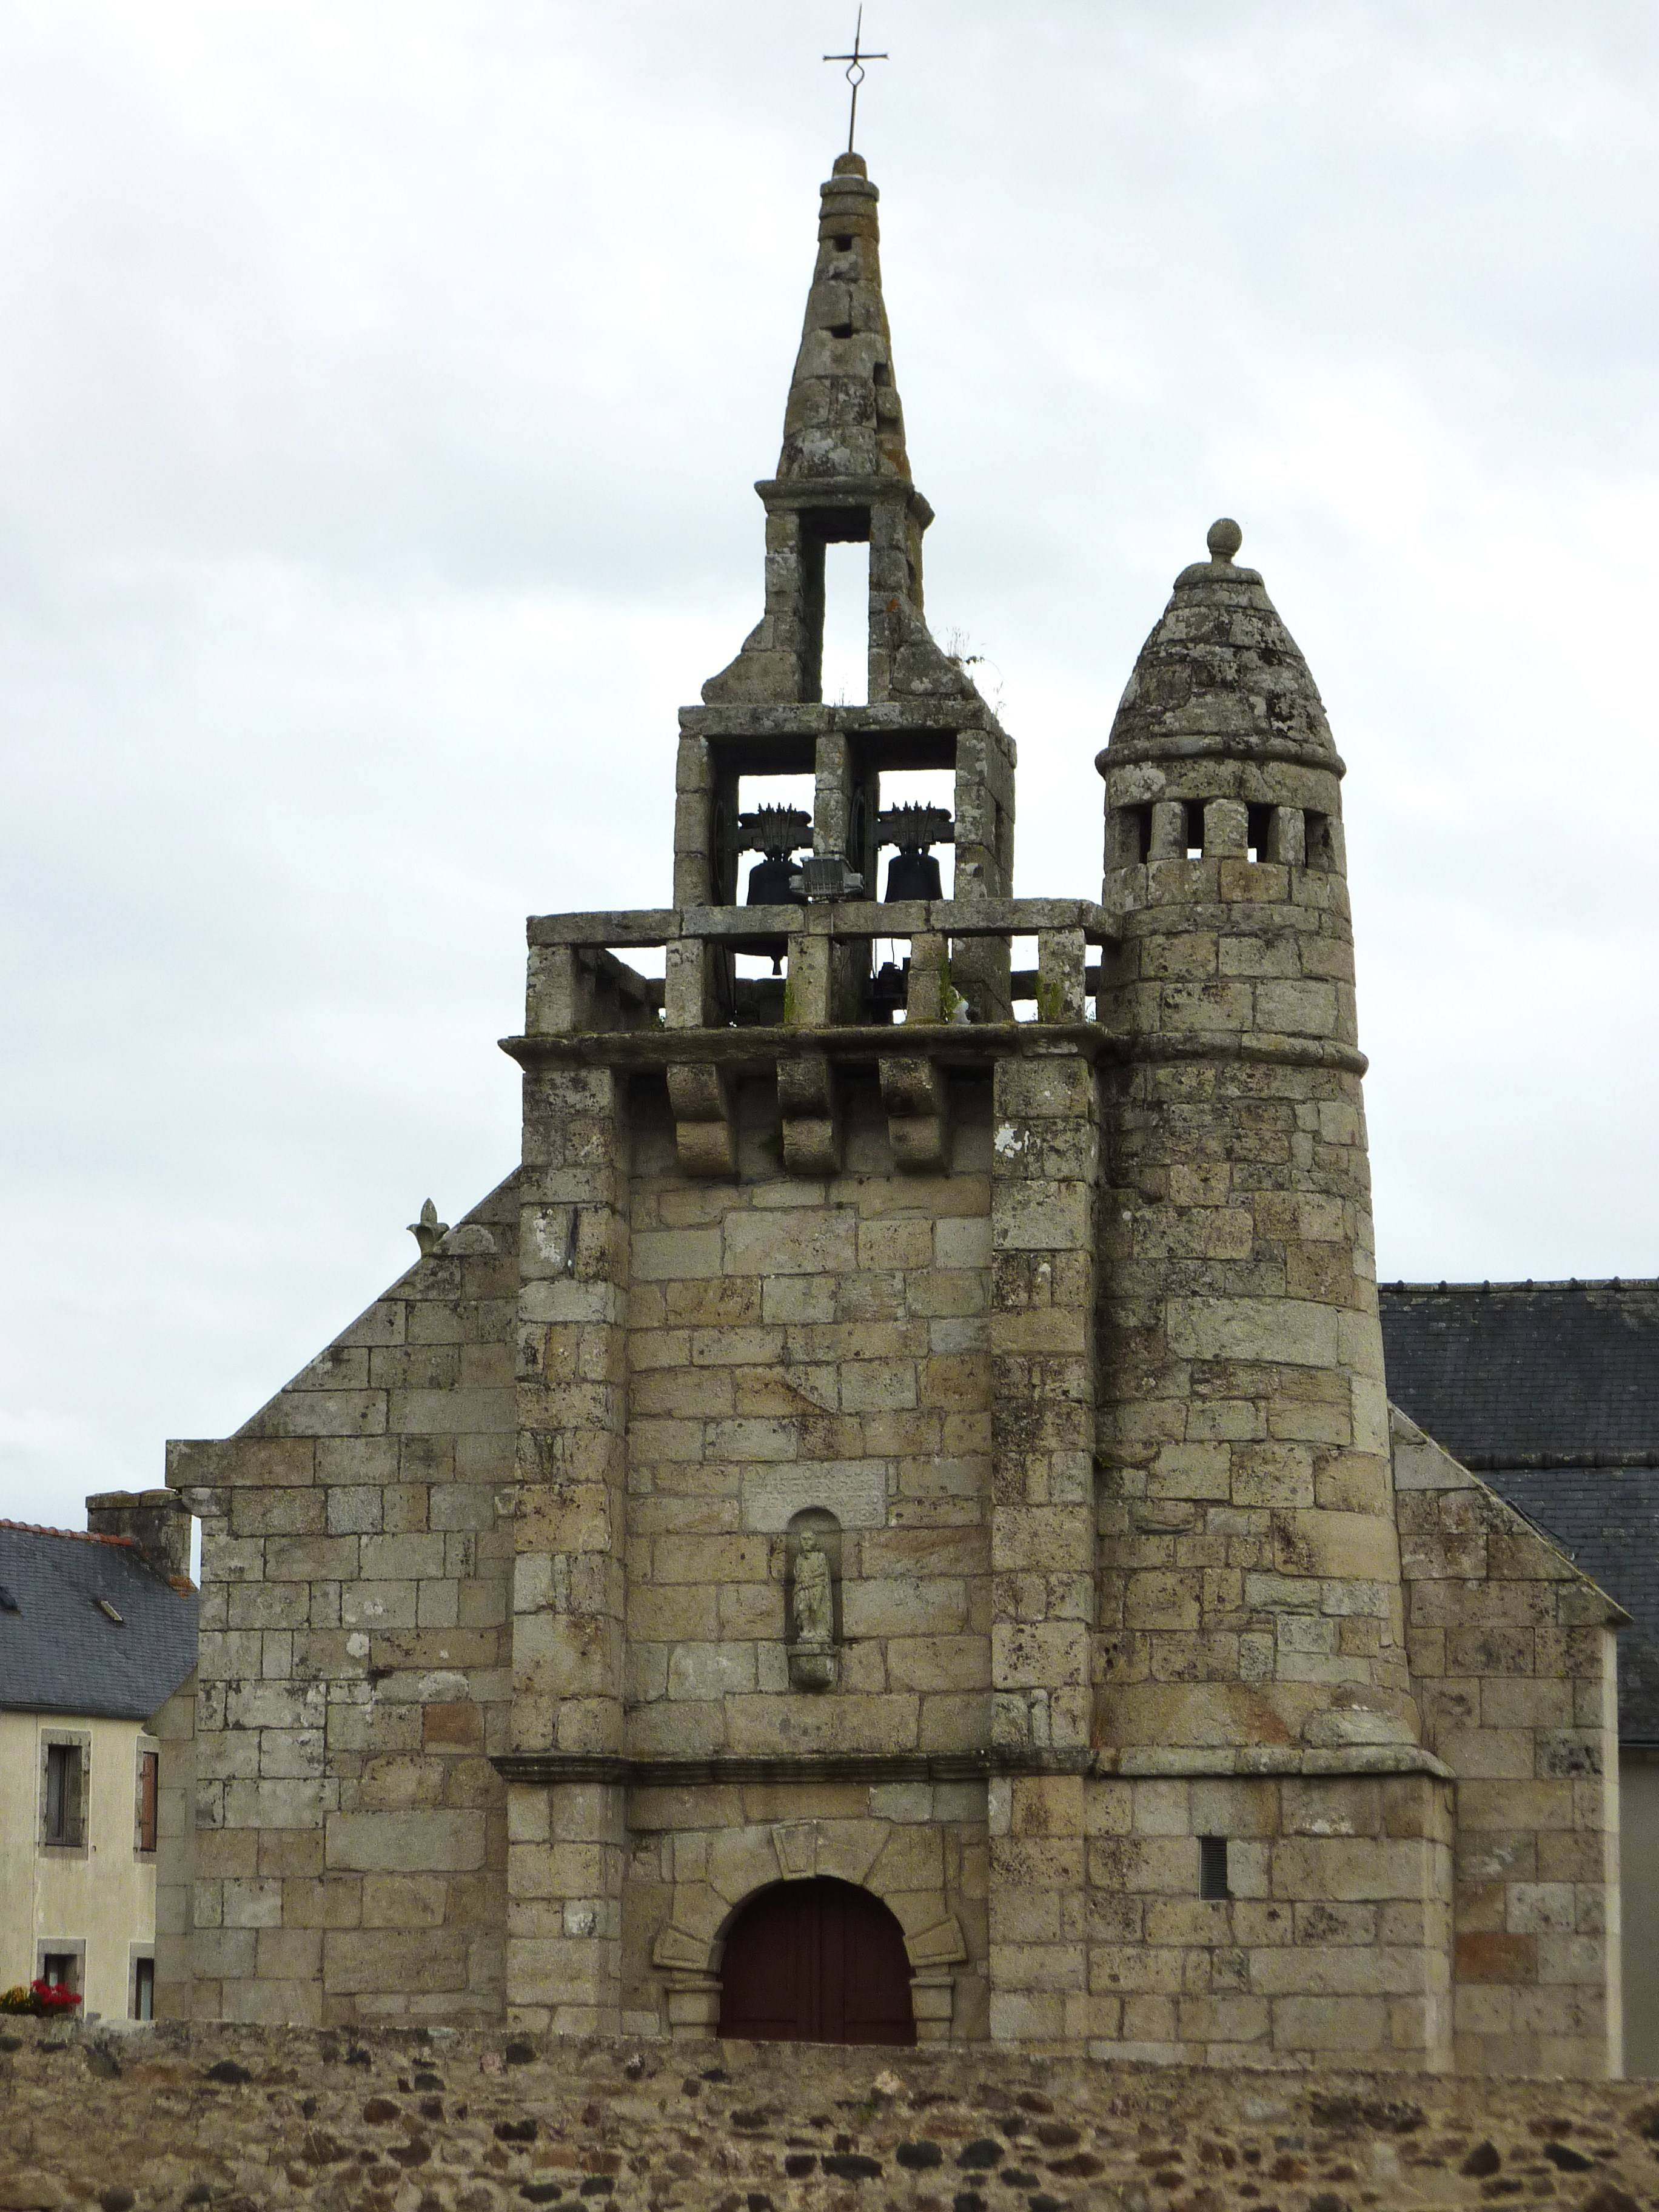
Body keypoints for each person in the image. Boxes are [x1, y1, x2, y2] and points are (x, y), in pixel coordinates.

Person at [791, 1529, 834, 1645]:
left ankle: (820, 1632)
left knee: (816, 1608)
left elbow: (822, 1571)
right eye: (803, 1539)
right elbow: (797, 1572)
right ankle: (807, 1631)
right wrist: (802, 1578)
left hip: (817, 1586)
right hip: (802, 1586)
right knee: (802, 1607)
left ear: (815, 1541)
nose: (806, 1542)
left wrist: (810, 1577)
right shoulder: (799, 1558)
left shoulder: (820, 1556)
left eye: (809, 1539)